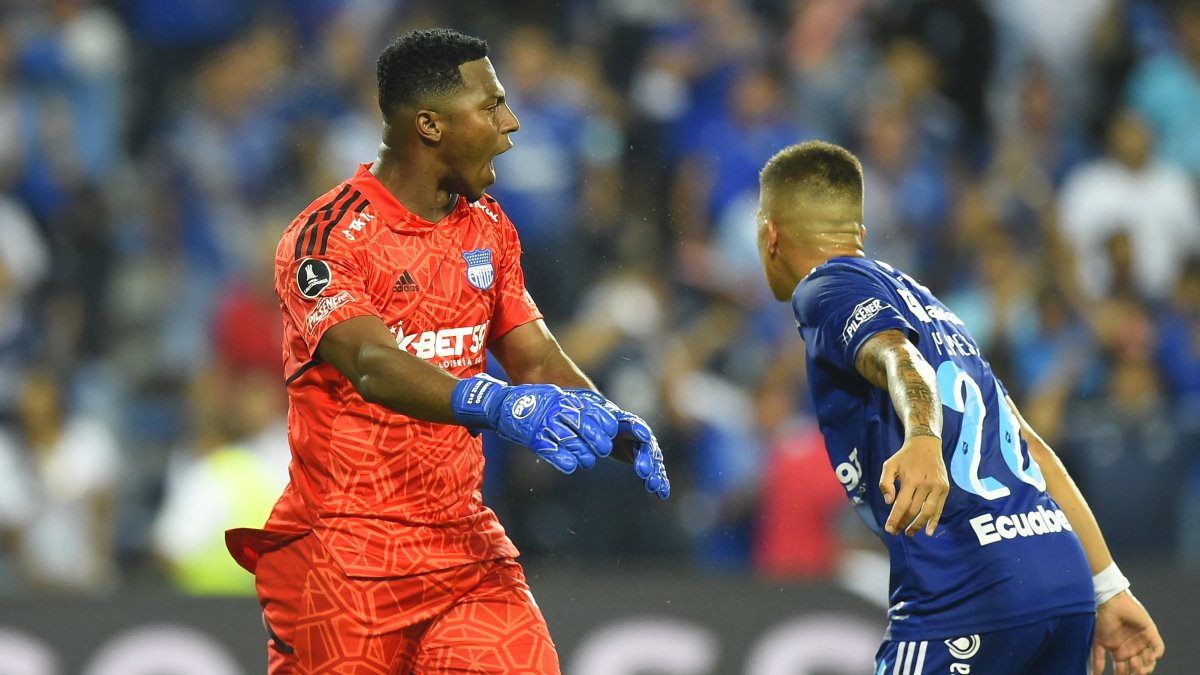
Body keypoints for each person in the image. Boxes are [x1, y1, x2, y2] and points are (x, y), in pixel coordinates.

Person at [224, 28, 669, 674]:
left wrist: (605, 415)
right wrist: (498, 404)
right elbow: (372, 363)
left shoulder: (488, 226)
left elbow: (536, 359)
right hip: (344, 559)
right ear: (430, 125)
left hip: (462, 546)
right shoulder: (325, 238)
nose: (511, 124)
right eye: (491, 107)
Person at [754, 140, 1164, 674]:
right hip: (1060, 578)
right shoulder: (935, 308)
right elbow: (1031, 449)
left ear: (771, 236)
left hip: (969, 589)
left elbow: (898, 359)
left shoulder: (826, 287)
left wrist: (922, 437)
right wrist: (1108, 586)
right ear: (861, 233)